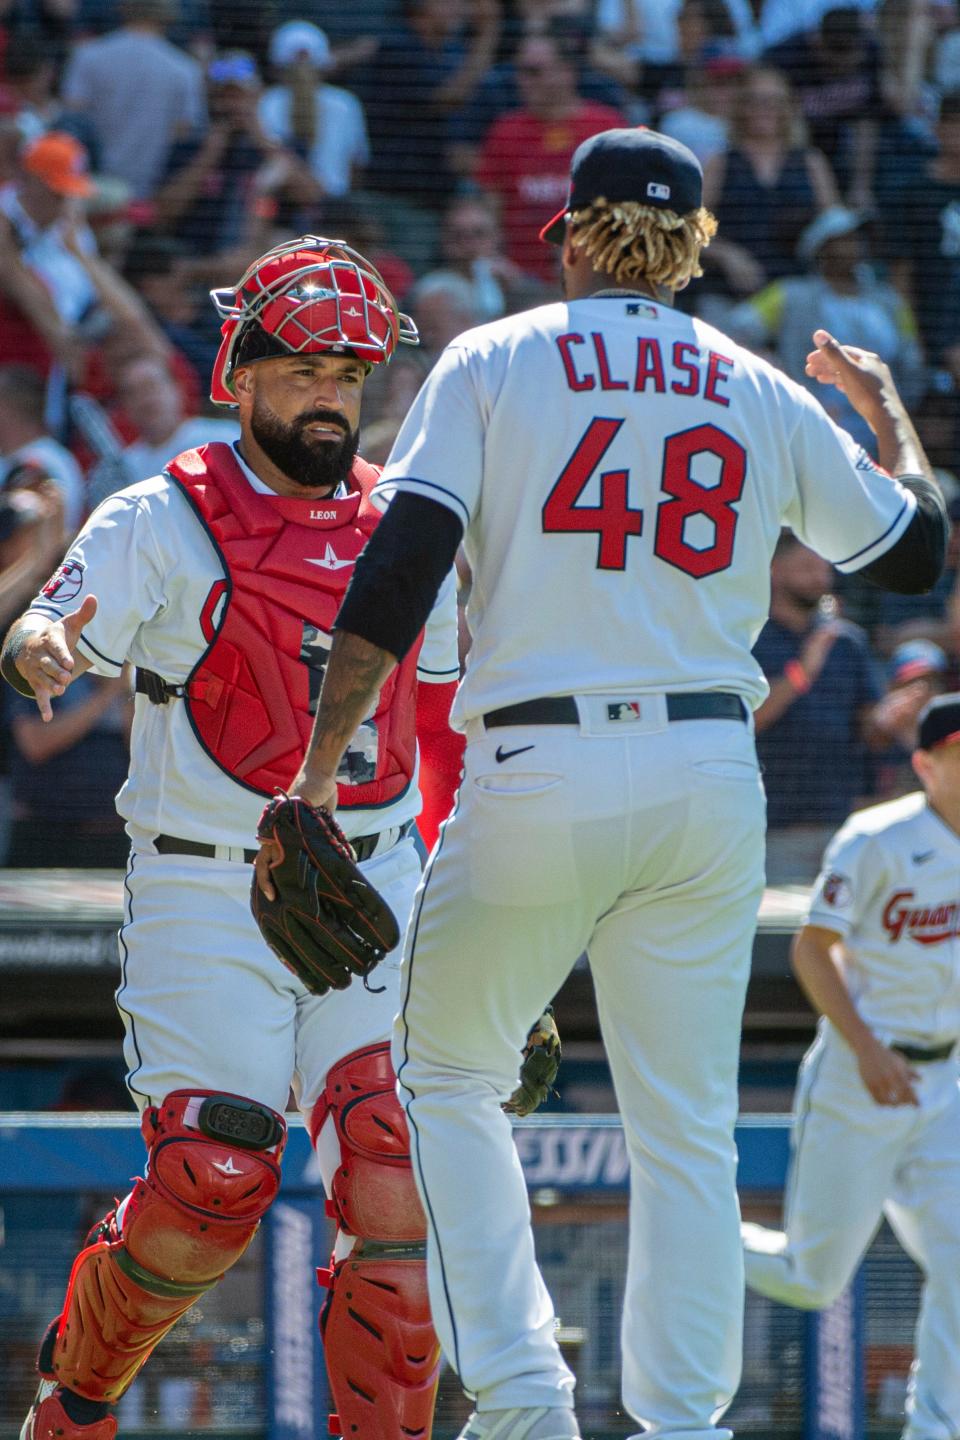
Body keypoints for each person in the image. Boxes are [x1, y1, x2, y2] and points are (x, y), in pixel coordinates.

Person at [263, 128, 947, 1440]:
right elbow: (917, 554)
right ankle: (682, 1427)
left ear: (567, 235)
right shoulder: (751, 382)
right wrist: (890, 417)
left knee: (449, 1076)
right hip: (705, 771)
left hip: (537, 758)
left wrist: (312, 772)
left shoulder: (496, 357)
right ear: (692, 251)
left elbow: (397, 574)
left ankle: (523, 1401)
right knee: (685, 1124)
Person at [3, 236, 465, 1440]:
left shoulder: (415, 525)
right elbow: (53, 625)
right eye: (304, 366)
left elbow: (458, 715)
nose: (330, 392)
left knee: (395, 1169)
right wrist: (39, 649)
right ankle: (77, 1402)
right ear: (241, 375)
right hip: (211, 888)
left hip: (382, 879)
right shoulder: (166, 511)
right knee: (214, 1180)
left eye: (350, 374)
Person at [742, 690, 960, 1440]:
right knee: (813, 1279)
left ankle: (935, 1430)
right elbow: (810, 947)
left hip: (942, 1082)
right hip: (861, 1073)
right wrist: (867, 1050)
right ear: (926, 763)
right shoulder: (877, 838)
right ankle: (699, 1232)